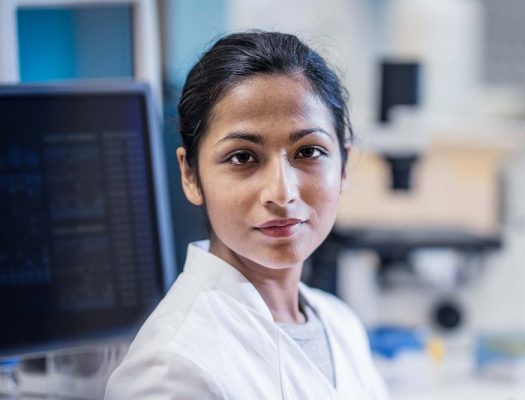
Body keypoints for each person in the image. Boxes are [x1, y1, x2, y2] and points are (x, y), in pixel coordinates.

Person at [105, 31, 388, 399]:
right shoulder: (172, 368)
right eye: (242, 157)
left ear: (344, 165)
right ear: (190, 175)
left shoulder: (339, 324)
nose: (282, 193)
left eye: (309, 152)